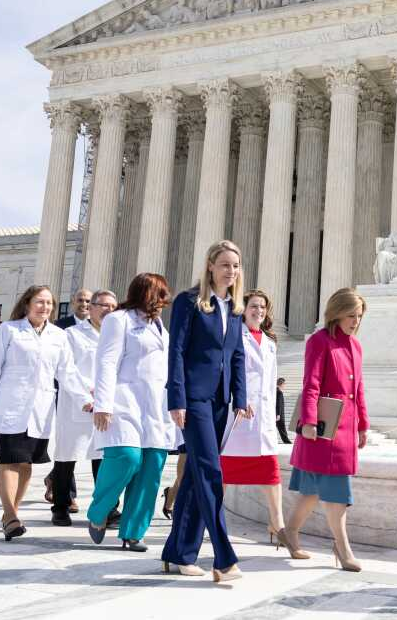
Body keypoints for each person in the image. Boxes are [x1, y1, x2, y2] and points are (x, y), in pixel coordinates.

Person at [161, 240, 250, 583]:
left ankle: (178, 553)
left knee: (197, 476)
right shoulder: (190, 301)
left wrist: (240, 398)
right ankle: (224, 557)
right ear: (210, 266)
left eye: (236, 266)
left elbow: (237, 355)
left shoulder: (235, 308)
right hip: (194, 399)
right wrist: (177, 398)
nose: (231, 271)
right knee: (211, 473)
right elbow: (177, 350)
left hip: (220, 402)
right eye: (225, 264)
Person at [0, 285, 76, 541]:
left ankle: (13, 512)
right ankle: (9, 515)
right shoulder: (10, 330)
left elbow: (67, 372)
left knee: (27, 462)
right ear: (27, 303)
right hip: (10, 405)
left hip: (41, 407)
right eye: (40, 302)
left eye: (49, 303)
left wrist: (86, 397)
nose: (46, 307)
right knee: (10, 458)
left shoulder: (58, 335)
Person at [87, 273, 181, 552]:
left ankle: (133, 531)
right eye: (159, 295)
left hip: (156, 405)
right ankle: (98, 511)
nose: (164, 301)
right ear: (144, 294)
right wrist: (103, 404)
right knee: (126, 457)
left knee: (152, 467)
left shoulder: (160, 327)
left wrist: (176, 404)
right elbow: (106, 361)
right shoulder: (118, 320)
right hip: (123, 401)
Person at [286, 288, 369, 572]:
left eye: (358, 316)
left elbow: (358, 389)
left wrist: (363, 425)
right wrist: (308, 421)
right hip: (322, 431)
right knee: (337, 494)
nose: (355, 321)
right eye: (350, 315)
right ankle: (342, 548)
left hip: (346, 430)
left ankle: (289, 532)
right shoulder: (319, 341)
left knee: (310, 492)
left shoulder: (356, 346)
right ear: (336, 313)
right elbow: (311, 383)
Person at [220, 290, 303, 558]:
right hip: (239, 415)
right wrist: (238, 400)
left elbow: (270, 382)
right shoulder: (233, 336)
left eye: (263, 307)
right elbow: (227, 372)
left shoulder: (269, 342)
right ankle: (211, 520)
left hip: (262, 419)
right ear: (243, 309)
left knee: (270, 472)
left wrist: (273, 412)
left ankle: (276, 523)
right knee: (222, 473)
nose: (258, 311)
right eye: (254, 306)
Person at [50, 289, 118, 526]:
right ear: (91, 308)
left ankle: (107, 508)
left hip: (108, 405)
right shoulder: (71, 334)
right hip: (78, 405)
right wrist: (86, 395)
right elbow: (66, 370)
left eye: (112, 306)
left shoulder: (118, 335)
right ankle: (60, 505)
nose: (108, 310)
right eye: (103, 305)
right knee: (67, 457)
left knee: (105, 458)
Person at [46, 287, 92, 503]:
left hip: (93, 397)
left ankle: (55, 481)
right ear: (73, 302)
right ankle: (67, 496)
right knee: (67, 447)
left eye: (88, 301)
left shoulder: (104, 328)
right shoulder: (61, 327)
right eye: (80, 300)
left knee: (95, 448)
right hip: (64, 391)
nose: (84, 304)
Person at [275, 377, 291, 445]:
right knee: (282, 428)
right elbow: (278, 404)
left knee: (281, 429)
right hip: (279, 415)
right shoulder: (279, 392)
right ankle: (287, 442)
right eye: (284, 384)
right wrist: (278, 414)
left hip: (278, 414)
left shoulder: (276, 392)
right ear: (281, 384)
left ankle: (287, 441)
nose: (284, 385)